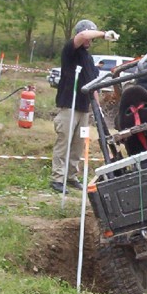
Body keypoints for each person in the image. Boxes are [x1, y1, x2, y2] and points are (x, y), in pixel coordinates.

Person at [51, 19, 120, 193]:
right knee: (64, 142)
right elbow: (82, 35)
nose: (90, 40)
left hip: (83, 107)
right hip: (68, 104)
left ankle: (71, 176)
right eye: (91, 35)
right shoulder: (71, 50)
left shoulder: (89, 60)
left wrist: (98, 110)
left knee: (78, 144)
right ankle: (57, 178)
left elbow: (93, 86)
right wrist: (104, 34)